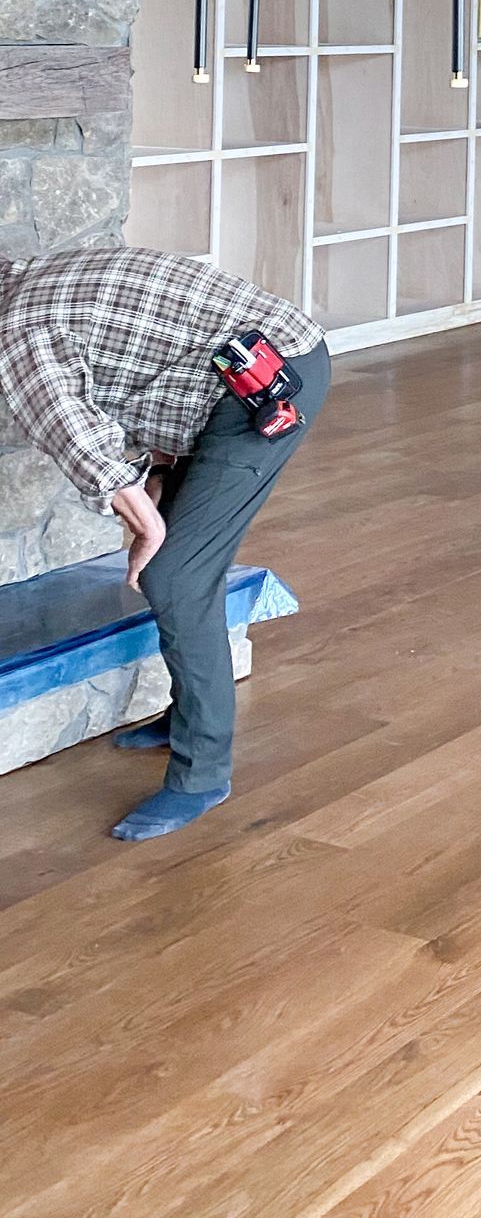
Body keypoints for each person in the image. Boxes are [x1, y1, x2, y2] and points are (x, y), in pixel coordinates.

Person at [0, 244, 328, 841]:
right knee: (179, 571)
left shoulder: (16, 332)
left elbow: (79, 439)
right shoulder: (30, 275)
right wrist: (157, 477)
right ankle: (188, 719)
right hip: (254, 365)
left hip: (266, 386)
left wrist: (148, 524)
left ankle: (201, 775)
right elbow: (150, 367)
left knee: (174, 575)